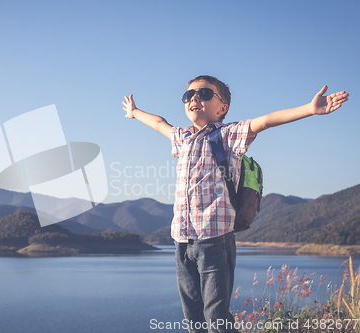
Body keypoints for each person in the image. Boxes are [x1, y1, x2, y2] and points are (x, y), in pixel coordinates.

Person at [122, 75, 349, 333]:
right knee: (193, 318)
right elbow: (158, 123)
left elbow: (264, 122)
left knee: (216, 317)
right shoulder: (182, 138)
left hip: (215, 240)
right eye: (189, 95)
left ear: (222, 108)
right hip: (182, 241)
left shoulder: (227, 135)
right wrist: (134, 112)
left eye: (205, 94)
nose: (194, 98)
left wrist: (309, 109)